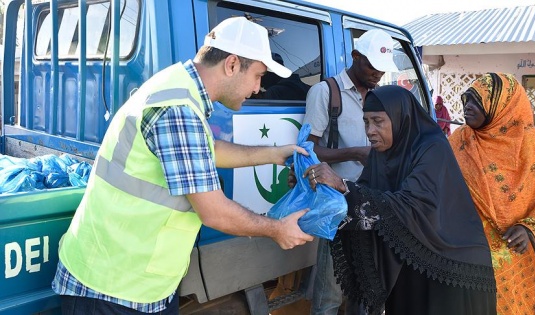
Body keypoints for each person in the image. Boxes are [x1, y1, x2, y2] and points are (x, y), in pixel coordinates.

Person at [51, 17, 314, 314]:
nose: (257, 88)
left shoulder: (180, 86)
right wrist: (278, 229)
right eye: (257, 76)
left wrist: (275, 154)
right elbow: (214, 212)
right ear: (231, 64)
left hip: (141, 283)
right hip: (111, 288)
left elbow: (206, 150)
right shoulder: (178, 108)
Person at [299, 85, 497, 315]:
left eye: (377, 121)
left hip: (450, 269)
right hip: (412, 264)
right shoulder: (381, 154)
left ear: (399, 117)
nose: (370, 131)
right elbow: (360, 202)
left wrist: (342, 185)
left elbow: (412, 206)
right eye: (366, 122)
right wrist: (317, 186)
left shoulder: (432, 147)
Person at [303, 28, 399, 315]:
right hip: (337, 203)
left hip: (372, 199)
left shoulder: (380, 96)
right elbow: (308, 149)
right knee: (330, 289)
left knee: (367, 283)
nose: (378, 74)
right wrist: (356, 153)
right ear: (355, 56)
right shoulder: (325, 92)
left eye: (383, 69)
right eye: (372, 66)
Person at [449, 73, 535, 314]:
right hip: (465, 254)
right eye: (467, 99)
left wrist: (530, 227)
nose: (468, 106)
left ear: (502, 106)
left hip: (517, 256)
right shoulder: (459, 141)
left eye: (477, 101)